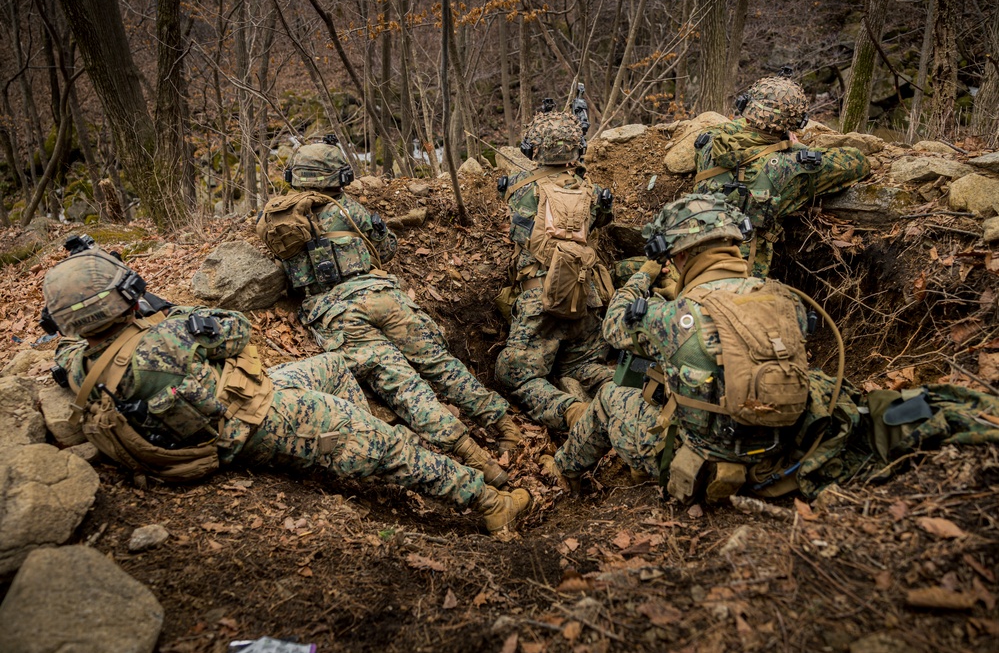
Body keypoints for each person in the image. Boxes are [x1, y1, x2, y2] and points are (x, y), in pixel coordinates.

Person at [43, 247, 531, 534]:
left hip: (216, 410)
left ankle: (362, 433)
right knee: (383, 443)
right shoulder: (170, 338)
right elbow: (235, 330)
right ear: (125, 298)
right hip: (246, 424)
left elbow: (91, 352)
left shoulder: (75, 361)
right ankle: (488, 504)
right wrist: (169, 313)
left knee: (335, 367)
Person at [542, 194, 855, 503]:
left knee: (610, 397)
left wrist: (643, 276)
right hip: (776, 454)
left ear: (681, 256)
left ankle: (563, 472)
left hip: (700, 464)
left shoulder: (671, 317)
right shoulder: (787, 301)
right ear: (733, 244)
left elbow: (614, 326)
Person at [257, 138, 522, 488]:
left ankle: (483, 464)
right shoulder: (350, 208)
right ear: (339, 176)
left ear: (296, 175)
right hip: (381, 296)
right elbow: (387, 248)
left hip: (335, 313)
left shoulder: (275, 218)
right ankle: (506, 428)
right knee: (438, 364)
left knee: (404, 387)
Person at [494, 110, 615, 435]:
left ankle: (572, 412)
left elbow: (516, 230)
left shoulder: (520, 189)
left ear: (534, 148)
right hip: (584, 298)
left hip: (540, 301)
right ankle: (619, 404)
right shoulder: (593, 191)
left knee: (514, 373)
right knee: (586, 366)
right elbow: (604, 219)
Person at [692, 74, 870, 277]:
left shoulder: (707, 144)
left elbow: (731, 129)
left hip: (690, 261)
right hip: (738, 280)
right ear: (795, 122)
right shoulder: (787, 167)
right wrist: (794, 147)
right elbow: (858, 162)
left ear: (746, 107)